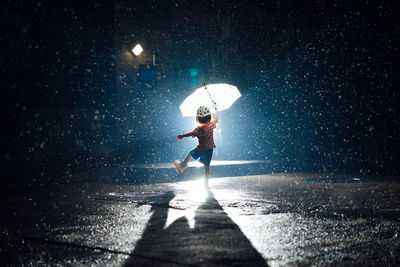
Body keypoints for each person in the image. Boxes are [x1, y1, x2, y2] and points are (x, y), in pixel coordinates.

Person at [175, 106, 219, 185]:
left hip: (200, 150)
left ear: (197, 119)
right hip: (209, 151)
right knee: (206, 166)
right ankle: (206, 182)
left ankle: (183, 165)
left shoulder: (198, 129)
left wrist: (182, 136)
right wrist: (214, 110)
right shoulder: (211, 125)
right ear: (209, 118)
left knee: (191, 154)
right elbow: (215, 120)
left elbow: (191, 133)